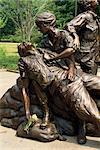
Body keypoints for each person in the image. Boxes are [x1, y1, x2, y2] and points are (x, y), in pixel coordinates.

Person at [35, 12, 100, 144]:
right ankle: (81, 129)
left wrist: (68, 65)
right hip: (64, 77)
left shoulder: (64, 35)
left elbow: (71, 51)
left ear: (46, 24)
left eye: (39, 26)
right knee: (81, 101)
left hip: (76, 70)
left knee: (96, 84)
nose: (38, 29)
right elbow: (41, 57)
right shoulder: (43, 42)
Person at [65, 0, 100, 75]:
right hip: (85, 56)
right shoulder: (85, 16)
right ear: (88, 3)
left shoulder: (95, 18)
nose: (97, 1)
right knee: (86, 80)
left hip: (94, 54)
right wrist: (76, 37)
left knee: (93, 79)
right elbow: (69, 26)